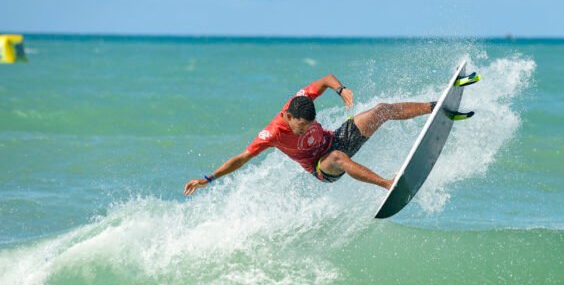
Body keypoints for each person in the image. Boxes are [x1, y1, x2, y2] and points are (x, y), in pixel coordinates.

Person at [183, 74, 435, 195]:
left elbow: (325, 79)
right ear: (289, 117)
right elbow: (241, 158)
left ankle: (433, 107)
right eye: (301, 127)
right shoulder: (271, 134)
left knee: (381, 110)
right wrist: (208, 178)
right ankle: (388, 184)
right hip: (321, 167)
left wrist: (341, 89)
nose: (304, 130)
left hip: (336, 139)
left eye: (308, 125)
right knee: (337, 157)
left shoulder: (300, 100)